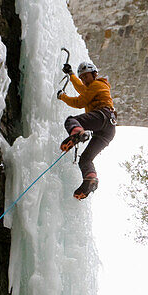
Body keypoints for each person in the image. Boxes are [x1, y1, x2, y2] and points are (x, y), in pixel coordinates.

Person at [57, 60, 117, 200]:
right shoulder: (93, 87)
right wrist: (71, 74)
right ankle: (90, 179)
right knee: (85, 159)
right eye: (82, 77)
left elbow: (80, 102)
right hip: (108, 130)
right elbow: (81, 89)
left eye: (86, 76)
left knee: (71, 121)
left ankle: (78, 133)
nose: (84, 80)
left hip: (103, 117)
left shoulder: (98, 84)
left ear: (94, 74)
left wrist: (62, 97)